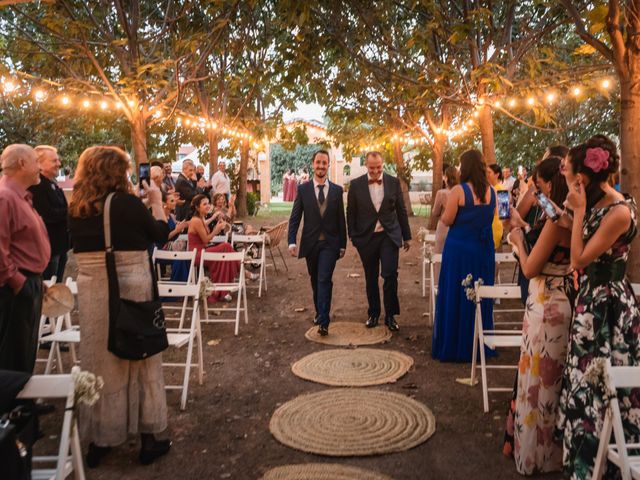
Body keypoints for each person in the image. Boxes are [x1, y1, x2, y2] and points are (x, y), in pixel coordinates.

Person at [67, 146, 171, 467]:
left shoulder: (77, 207)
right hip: (130, 286)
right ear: (116, 172)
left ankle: (102, 437)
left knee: (100, 360)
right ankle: (148, 437)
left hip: (93, 291)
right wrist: (156, 203)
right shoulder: (125, 204)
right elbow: (160, 234)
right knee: (140, 358)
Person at [556, 135, 640, 479]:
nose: (572, 183)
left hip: (609, 308)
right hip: (590, 302)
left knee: (604, 381)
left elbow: (579, 258)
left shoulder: (619, 211)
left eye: (574, 177)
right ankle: (583, 463)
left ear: (586, 177)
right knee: (583, 380)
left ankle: (605, 466)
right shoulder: (598, 203)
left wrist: (576, 213)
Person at [502, 156, 572, 474]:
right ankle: (556, 451)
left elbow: (531, 267)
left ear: (549, 183)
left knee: (540, 380)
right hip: (564, 297)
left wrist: (517, 241)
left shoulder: (558, 219)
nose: (537, 190)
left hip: (546, 302)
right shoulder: (571, 215)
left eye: (540, 185)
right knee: (554, 380)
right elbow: (541, 232)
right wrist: (524, 224)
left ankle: (537, 456)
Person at [431, 149, 496, 362]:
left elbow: (448, 220)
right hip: (483, 250)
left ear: (465, 167)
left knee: (456, 293)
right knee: (480, 293)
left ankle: (454, 344)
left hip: (459, 250)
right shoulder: (493, 192)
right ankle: (479, 343)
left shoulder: (459, 191)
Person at [346, 151, 411, 332]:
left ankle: (390, 316)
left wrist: (406, 236)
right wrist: (353, 235)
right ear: (366, 165)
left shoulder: (393, 182)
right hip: (366, 238)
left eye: (379, 167)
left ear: (383, 165)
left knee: (390, 274)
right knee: (371, 276)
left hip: (389, 236)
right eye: (372, 168)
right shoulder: (356, 185)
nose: (375, 171)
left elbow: (401, 210)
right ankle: (373, 313)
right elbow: (350, 212)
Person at [0, 144, 50, 373]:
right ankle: (12, 405)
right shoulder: (5, 197)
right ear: (22, 163)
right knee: (13, 350)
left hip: (30, 280)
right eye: (35, 161)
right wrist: (18, 281)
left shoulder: (21, 197)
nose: (39, 167)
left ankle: (23, 403)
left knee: (26, 347)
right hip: (15, 286)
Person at [288, 150, 347, 336]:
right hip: (310, 243)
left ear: (328, 165)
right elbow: (295, 217)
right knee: (315, 279)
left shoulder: (337, 190)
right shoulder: (303, 189)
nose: (321, 166)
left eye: (324, 163)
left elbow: (340, 219)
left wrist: (342, 243)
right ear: (313, 164)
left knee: (324, 279)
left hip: (330, 244)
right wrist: (291, 241)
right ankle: (319, 311)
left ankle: (323, 320)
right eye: (318, 162)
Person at [187, 194, 239, 303]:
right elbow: (206, 240)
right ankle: (241, 269)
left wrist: (214, 218)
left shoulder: (201, 218)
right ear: (197, 207)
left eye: (208, 203)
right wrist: (216, 229)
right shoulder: (196, 220)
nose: (207, 206)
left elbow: (206, 226)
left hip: (203, 251)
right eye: (204, 204)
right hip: (197, 254)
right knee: (226, 246)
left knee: (226, 250)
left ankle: (222, 291)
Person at [29, 145, 69, 282]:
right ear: (39, 163)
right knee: (48, 293)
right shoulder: (36, 185)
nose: (59, 164)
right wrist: (71, 212)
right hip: (47, 250)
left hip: (59, 247)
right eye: (54, 161)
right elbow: (47, 214)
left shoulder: (51, 183)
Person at [430, 166, 459, 253]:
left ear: (446, 178)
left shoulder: (441, 193)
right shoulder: (462, 192)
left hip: (444, 227)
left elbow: (435, 212)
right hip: (458, 227)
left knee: (440, 254)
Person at [487, 163, 505, 251]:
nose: (487, 175)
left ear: (497, 174)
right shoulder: (489, 189)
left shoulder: (501, 189)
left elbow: (504, 212)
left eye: (489, 172)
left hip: (496, 229)